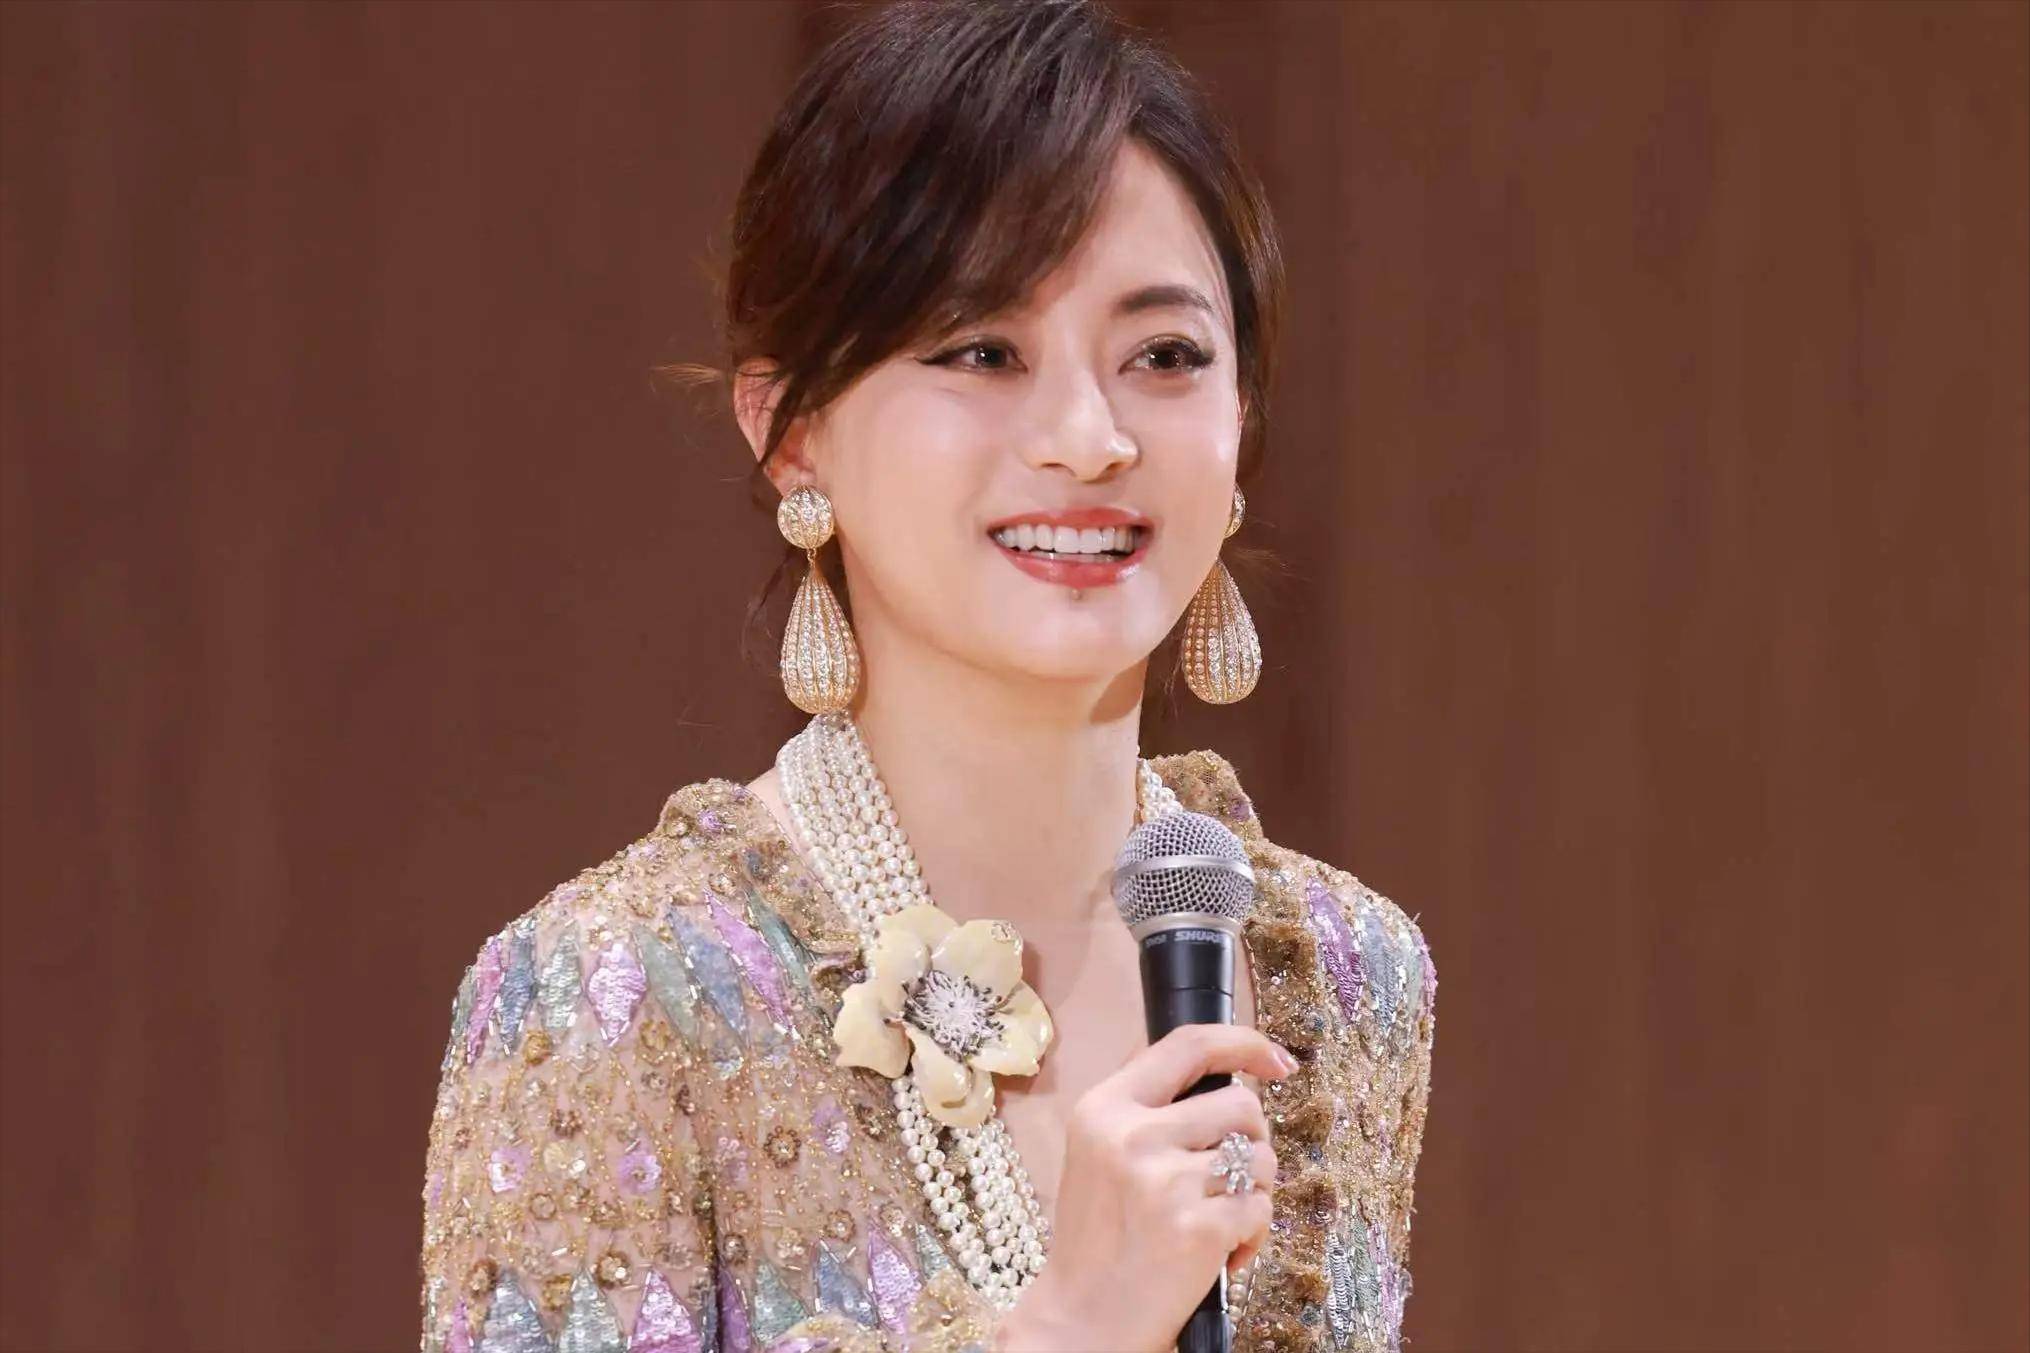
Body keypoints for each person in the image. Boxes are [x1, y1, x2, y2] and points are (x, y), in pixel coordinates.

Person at [416, 2, 1435, 1349]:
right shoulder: (619, 991)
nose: (1087, 437)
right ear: (791, 429)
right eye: (981, 352)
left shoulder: (1345, 972)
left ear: (1240, 416)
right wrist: (1070, 1327)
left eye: (1164, 356)